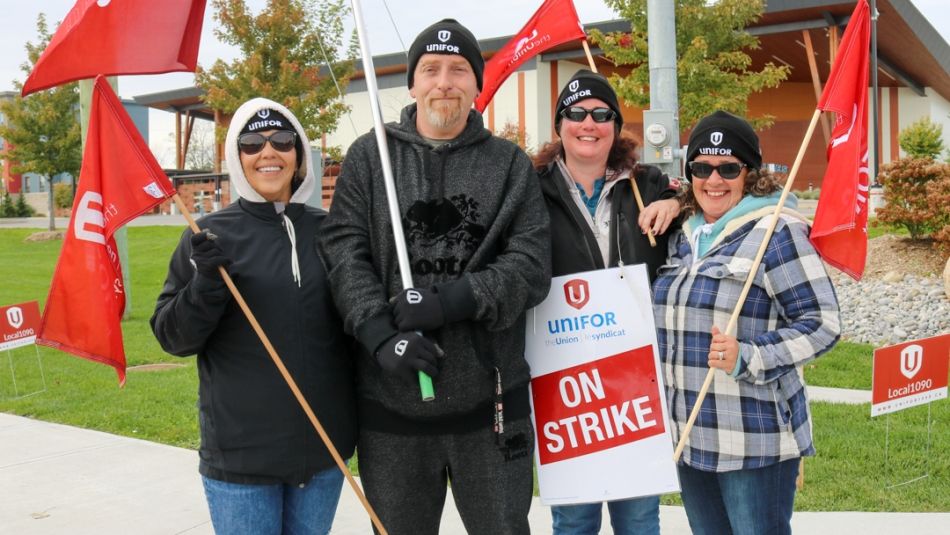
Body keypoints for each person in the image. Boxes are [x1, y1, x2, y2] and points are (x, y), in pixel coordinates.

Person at [318, 18, 551, 535]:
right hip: (392, 412)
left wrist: (455, 299)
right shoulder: (368, 158)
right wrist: (380, 336)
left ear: (477, 84)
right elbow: (343, 252)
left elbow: (531, 266)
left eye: (459, 69)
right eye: (431, 69)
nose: (444, 81)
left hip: (490, 411)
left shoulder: (510, 165)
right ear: (412, 83)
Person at [151, 98, 357, 534]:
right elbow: (174, 338)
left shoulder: (333, 232)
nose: (268, 152)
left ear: (298, 154)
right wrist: (206, 282)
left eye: (282, 140)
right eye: (252, 143)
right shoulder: (205, 237)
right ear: (236, 157)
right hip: (241, 461)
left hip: (323, 454)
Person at [652, 111, 841, 534]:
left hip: (753, 441)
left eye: (728, 168)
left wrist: (750, 354)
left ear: (750, 174)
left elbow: (823, 322)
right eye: (702, 167)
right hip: (690, 439)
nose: (713, 179)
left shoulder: (777, 231)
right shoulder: (682, 236)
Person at [534, 69, 681, 535]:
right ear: (559, 125)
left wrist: (679, 206)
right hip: (567, 381)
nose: (588, 123)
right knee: (574, 518)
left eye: (601, 114)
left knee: (638, 517)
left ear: (616, 126)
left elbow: (709, 197)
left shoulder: (647, 183)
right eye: (576, 113)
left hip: (633, 378)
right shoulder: (530, 188)